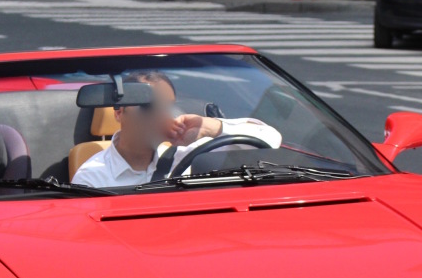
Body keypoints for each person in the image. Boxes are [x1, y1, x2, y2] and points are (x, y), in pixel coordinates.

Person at [71, 71, 282, 189]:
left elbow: (271, 140)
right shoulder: (92, 176)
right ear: (119, 112)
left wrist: (210, 127)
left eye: (166, 106)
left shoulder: (187, 153)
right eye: (149, 107)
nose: (160, 115)